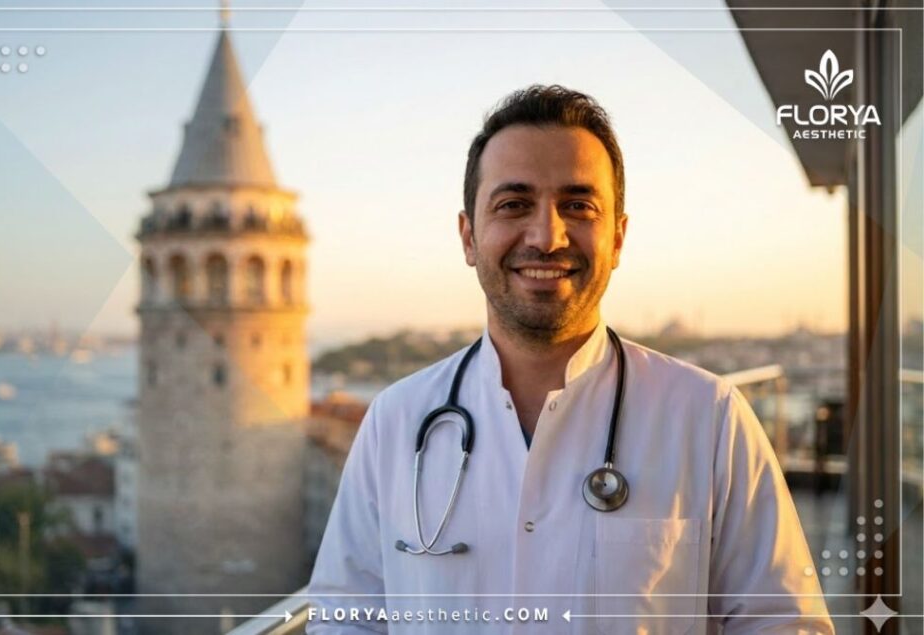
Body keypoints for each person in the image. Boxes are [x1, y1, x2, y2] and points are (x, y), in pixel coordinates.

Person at [307, 85, 834, 634]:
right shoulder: (395, 421)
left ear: (618, 238)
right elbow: (345, 621)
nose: (547, 236)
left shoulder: (710, 418)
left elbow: (783, 623)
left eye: (578, 206)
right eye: (513, 205)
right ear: (468, 237)